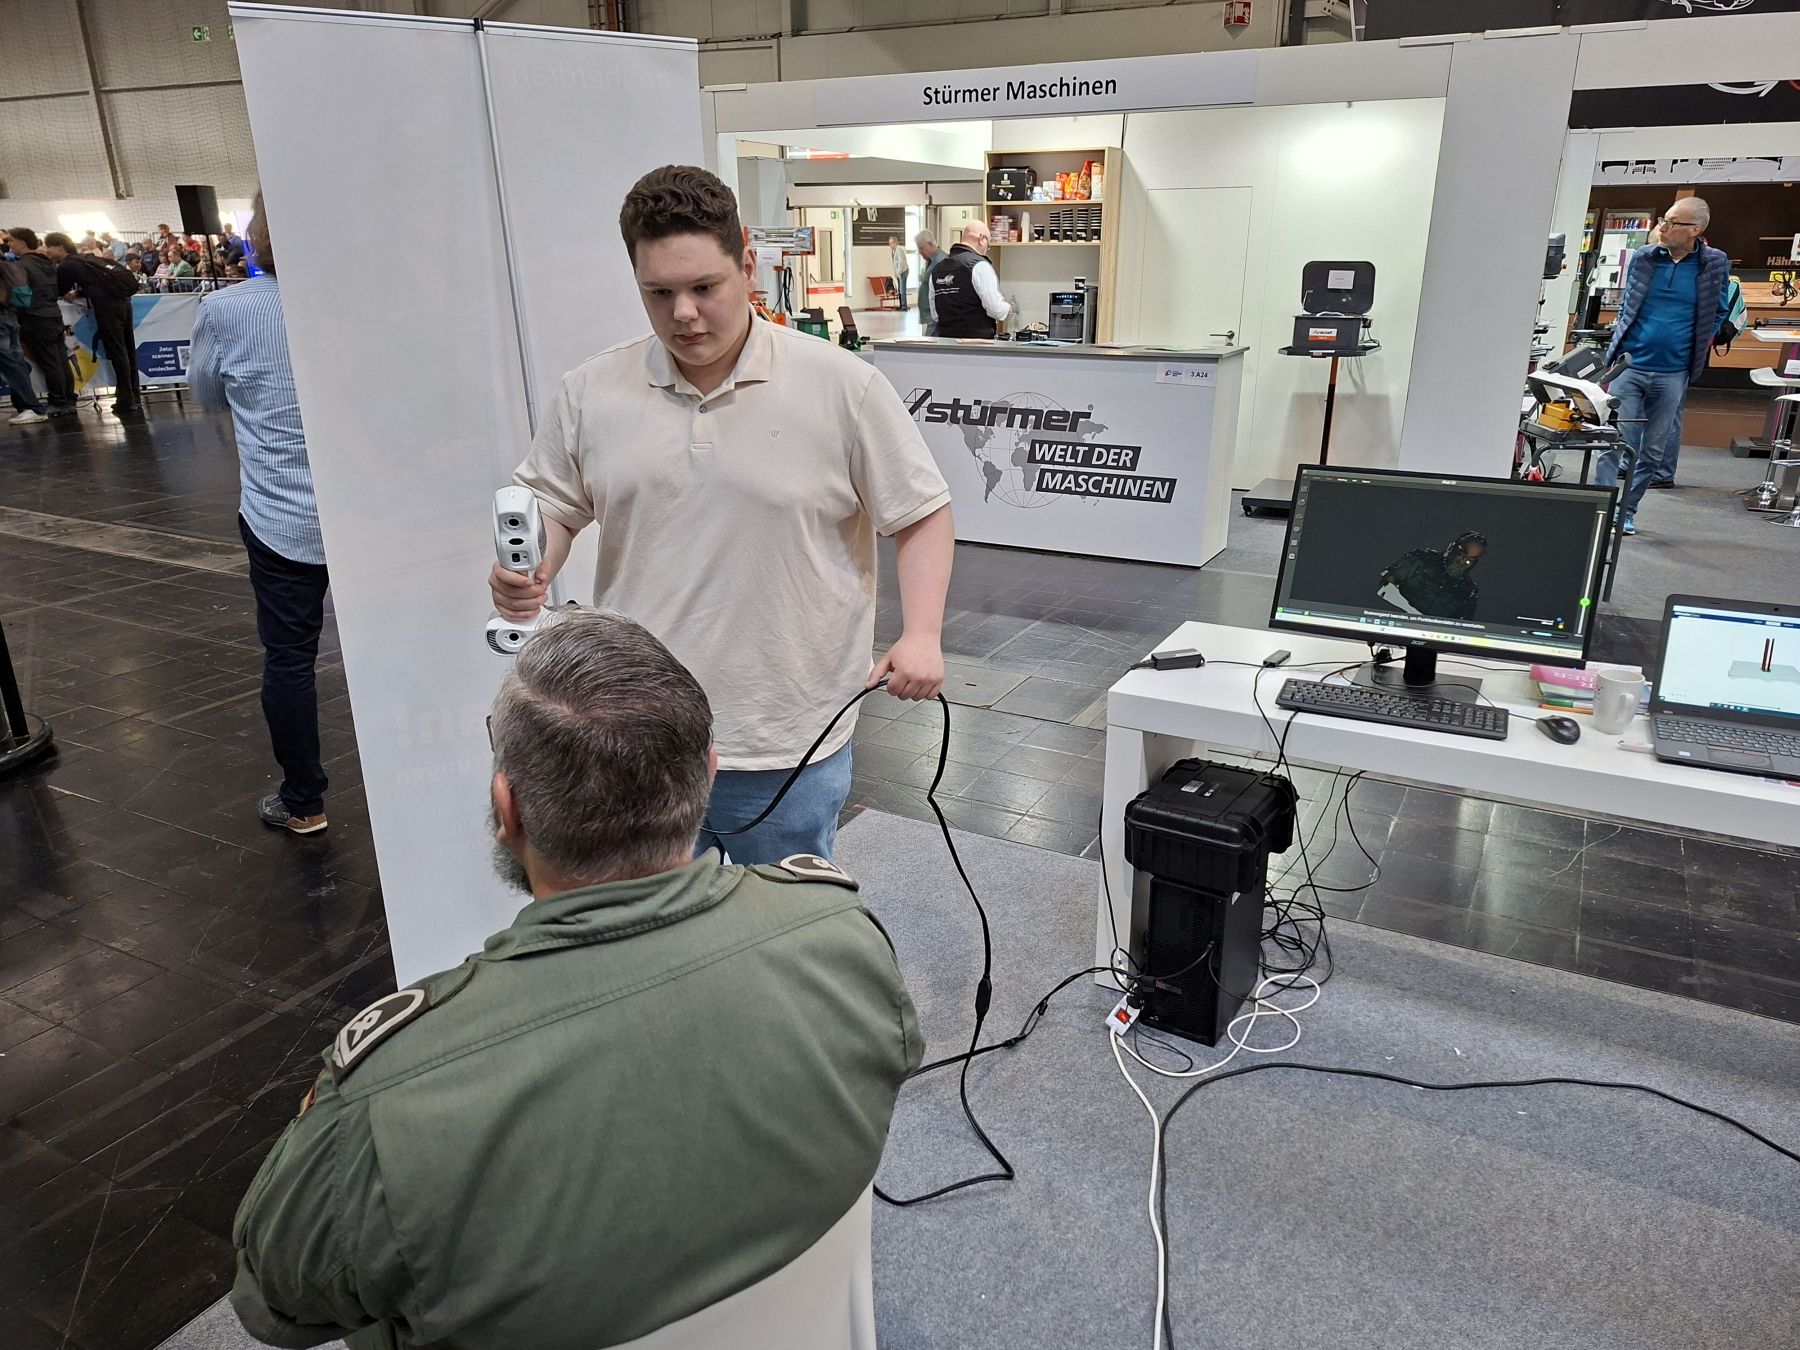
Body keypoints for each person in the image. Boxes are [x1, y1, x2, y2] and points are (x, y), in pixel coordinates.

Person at [230, 606, 921, 1350]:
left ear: (507, 808)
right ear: (709, 775)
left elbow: (277, 1303)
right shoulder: (842, 939)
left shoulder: (391, 1097)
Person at [490, 164, 953, 865]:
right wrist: (532, 567)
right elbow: (553, 502)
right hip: (636, 732)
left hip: (787, 734)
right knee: (652, 918)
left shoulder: (843, 386)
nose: (683, 313)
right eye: (659, 293)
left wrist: (922, 634)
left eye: (704, 287)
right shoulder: (590, 391)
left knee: (785, 917)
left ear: (747, 266)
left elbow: (922, 513)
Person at [189, 192, 331, 836]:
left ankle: (304, 802)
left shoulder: (225, 309)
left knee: (290, 659)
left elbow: (206, 393)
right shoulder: (353, 303)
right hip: (370, 518)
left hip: (281, 517)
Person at [1593, 196, 1728, 534]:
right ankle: (1601, 508)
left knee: (1652, 451)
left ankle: (1627, 510)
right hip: (1629, 367)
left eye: (1671, 222)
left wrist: (1697, 340)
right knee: (1614, 442)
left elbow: (1720, 311)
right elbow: (1628, 304)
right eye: (1663, 220)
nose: (1662, 228)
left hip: (1673, 372)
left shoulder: (1714, 263)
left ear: (1694, 230)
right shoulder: (1644, 257)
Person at [44, 230, 142, 415]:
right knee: (128, 350)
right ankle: (133, 395)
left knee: (118, 351)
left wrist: (73, 294)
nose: (47, 251)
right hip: (123, 303)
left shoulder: (68, 265)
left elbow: (59, 290)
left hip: (107, 308)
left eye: (49, 247)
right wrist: (80, 293)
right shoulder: (88, 260)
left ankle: (127, 399)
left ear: (60, 247)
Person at [3, 228, 77, 418]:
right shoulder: (48, 264)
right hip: (53, 314)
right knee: (61, 359)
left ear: (22, 243)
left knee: (50, 362)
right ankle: (69, 398)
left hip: (35, 317)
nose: (9, 244)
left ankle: (58, 401)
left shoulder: (22, 266)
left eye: (11, 241)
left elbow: (20, 295)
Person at [1377, 531, 1486, 621]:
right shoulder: (1421, 559)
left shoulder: (1468, 591)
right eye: (1462, 553)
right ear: (1453, 546)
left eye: (1470, 560)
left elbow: (1463, 626)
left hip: (1431, 634)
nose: (1463, 561)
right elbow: (1385, 584)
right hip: (1394, 620)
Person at [929, 220, 1011, 338]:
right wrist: (1008, 308)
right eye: (988, 246)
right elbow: (996, 310)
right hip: (976, 343)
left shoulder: (937, 269)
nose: (986, 250)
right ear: (982, 239)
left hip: (945, 342)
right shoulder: (980, 266)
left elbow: (935, 314)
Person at [1, 253, 52, 425]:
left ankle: (33, 407)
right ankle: (25, 406)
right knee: (16, 362)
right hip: (10, 317)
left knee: (11, 364)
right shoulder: (9, 266)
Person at [915, 228, 941, 335]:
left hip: (934, 319)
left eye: (921, 248)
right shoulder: (931, 261)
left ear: (931, 244)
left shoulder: (940, 261)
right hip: (928, 317)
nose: (920, 252)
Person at [888, 234, 909, 312]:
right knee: (900, 289)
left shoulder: (899, 249)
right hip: (899, 272)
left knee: (902, 289)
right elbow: (895, 263)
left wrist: (899, 272)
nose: (890, 245)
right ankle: (901, 305)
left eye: (891, 243)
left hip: (903, 271)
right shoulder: (894, 251)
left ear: (895, 242)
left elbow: (901, 262)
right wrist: (895, 273)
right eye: (889, 243)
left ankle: (904, 306)